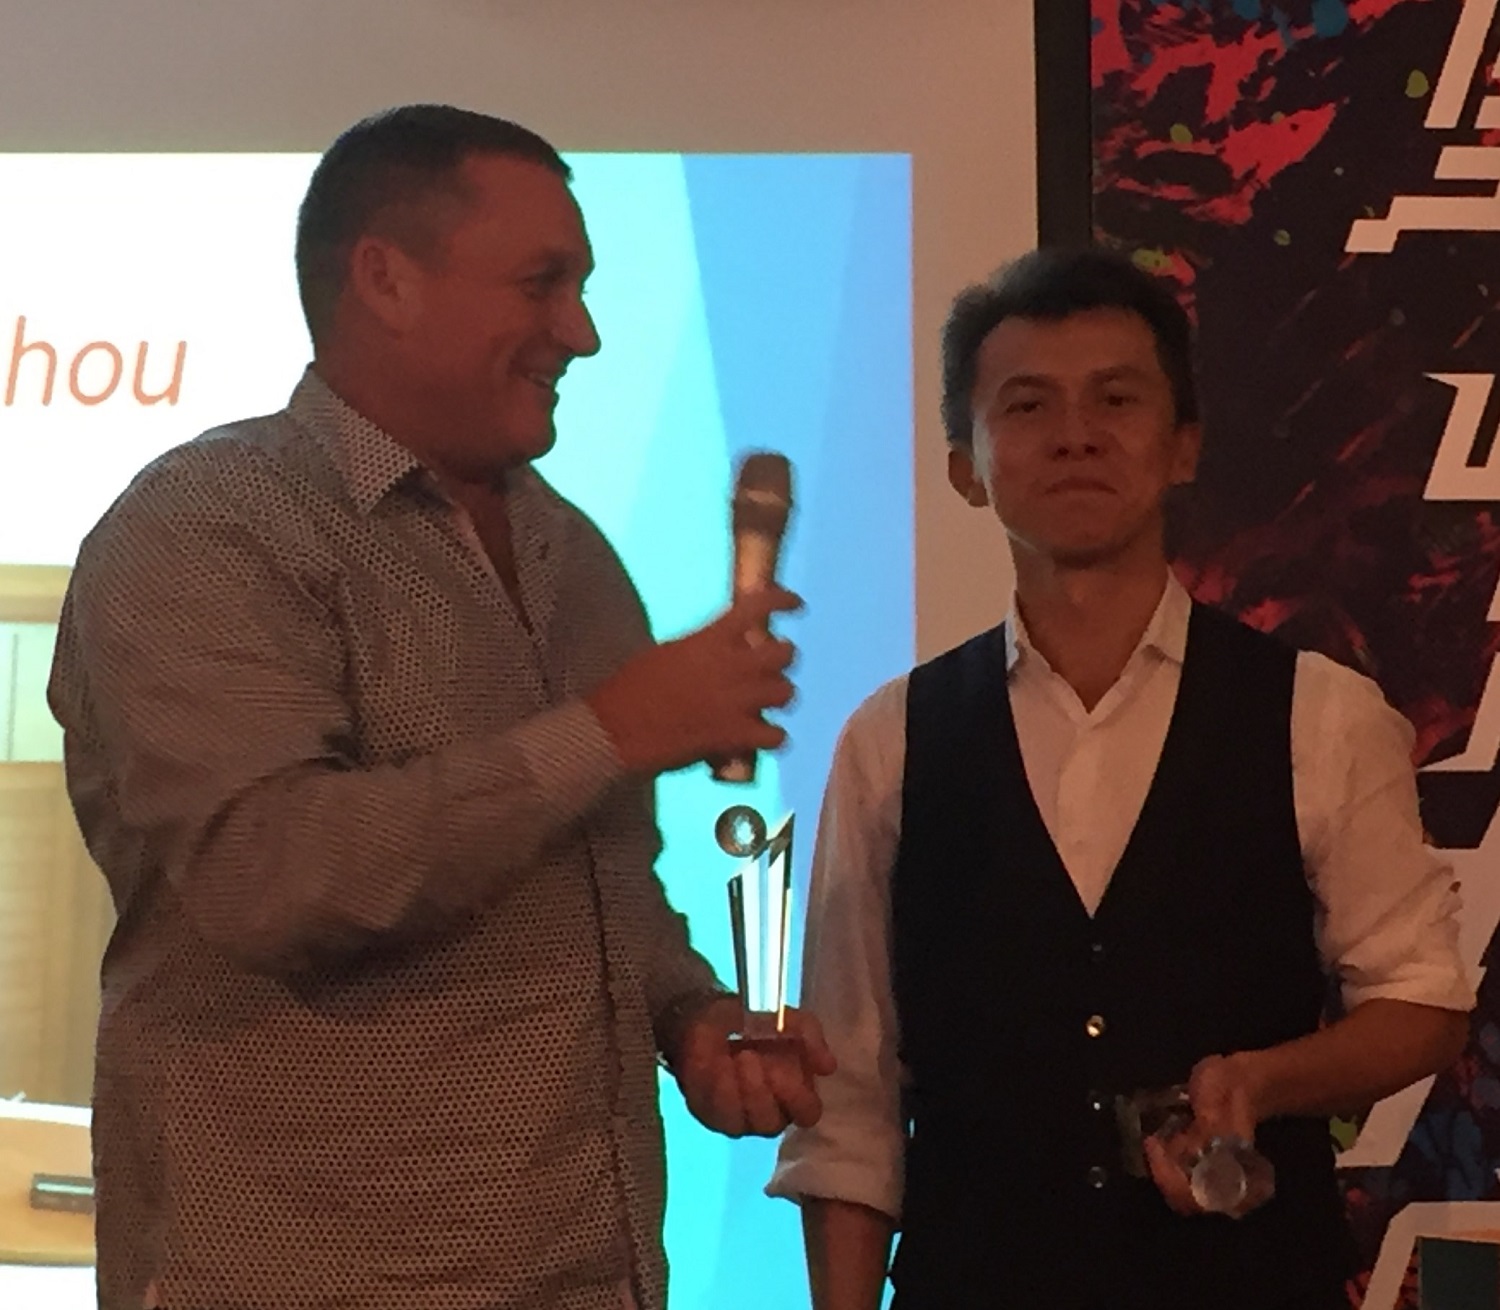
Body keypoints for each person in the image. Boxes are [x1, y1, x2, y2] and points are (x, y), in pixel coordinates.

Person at [49, 104, 833, 1310]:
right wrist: (613, 728)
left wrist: (690, 1017)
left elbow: (600, 882)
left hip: (590, 1273)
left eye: (581, 287)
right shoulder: (208, 525)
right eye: (542, 283)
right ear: (386, 280)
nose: (582, 331)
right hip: (297, 1281)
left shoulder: (574, 555)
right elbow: (270, 873)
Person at [767, 248, 1473, 1310]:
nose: (1076, 434)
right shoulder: (890, 739)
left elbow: (1422, 1000)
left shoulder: (1319, 713)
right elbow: (849, 1106)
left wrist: (1263, 1078)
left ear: (1184, 445)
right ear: (965, 465)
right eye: (1027, 405)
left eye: (1116, 398)